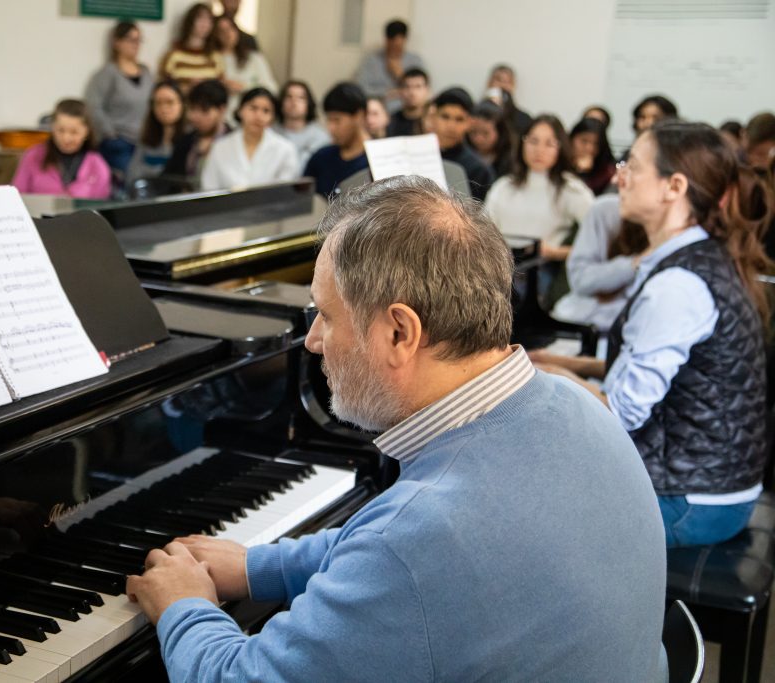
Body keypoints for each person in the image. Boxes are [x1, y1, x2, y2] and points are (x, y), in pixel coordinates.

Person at [124, 175, 667, 683]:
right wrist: (264, 566)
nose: (312, 341)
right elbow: (393, 547)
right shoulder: (575, 402)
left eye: (327, 315)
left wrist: (185, 604)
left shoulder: (421, 536)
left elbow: (241, 677)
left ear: (400, 332)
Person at [531, 121, 773, 547]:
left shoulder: (677, 285)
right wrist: (562, 363)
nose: (620, 176)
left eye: (634, 166)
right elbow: (681, 375)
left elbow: (620, 415)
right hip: (712, 479)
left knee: (525, 509)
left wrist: (537, 378)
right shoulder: (699, 257)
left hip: (691, 498)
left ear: (673, 187)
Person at [484, 114, 594, 261]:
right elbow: (483, 231)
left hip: (540, 266)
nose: (539, 150)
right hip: (498, 263)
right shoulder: (504, 185)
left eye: (549, 144)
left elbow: (600, 242)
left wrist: (554, 252)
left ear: (560, 147)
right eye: (533, 141)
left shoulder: (570, 189)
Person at [551, 195, 648, 333]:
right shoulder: (605, 209)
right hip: (574, 322)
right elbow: (580, 280)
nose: (616, 179)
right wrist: (633, 264)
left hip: (618, 333)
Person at [85, 21, 154, 176]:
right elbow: (94, 106)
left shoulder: (146, 72)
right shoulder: (108, 73)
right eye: (131, 40)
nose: (136, 45)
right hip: (118, 142)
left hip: (144, 142)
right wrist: (110, 134)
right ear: (117, 42)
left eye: (139, 40)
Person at [200, 88, 299, 191]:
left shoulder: (285, 149)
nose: (258, 116)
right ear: (240, 110)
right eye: (253, 108)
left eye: (266, 111)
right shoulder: (220, 147)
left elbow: (286, 193)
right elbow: (209, 189)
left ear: (272, 118)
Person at [12, 99, 110, 199]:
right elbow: (17, 197)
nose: (66, 138)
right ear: (52, 127)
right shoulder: (33, 156)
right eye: (60, 130)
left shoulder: (97, 166)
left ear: (86, 132)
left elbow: (101, 208)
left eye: (74, 132)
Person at [422, 87, 495, 201]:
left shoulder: (478, 170)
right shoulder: (418, 156)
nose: (451, 127)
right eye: (445, 117)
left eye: (459, 119)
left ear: (470, 123)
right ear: (432, 117)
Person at [303, 83, 370, 198]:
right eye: (328, 120)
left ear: (359, 116)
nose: (331, 128)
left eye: (337, 120)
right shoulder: (320, 158)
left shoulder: (378, 160)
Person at [213, 14, 277, 123]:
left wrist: (244, 88)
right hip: (222, 120)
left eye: (230, 29)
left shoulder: (255, 59)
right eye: (221, 31)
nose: (227, 34)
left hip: (252, 119)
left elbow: (271, 89)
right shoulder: (211, 60)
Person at [165, 79, 230, 181]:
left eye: (204, 110)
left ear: (221, 110)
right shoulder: (185, 141)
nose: (195, 116)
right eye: (193, 109)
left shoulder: (234, 141)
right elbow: (169, 179)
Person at [355, 20, 425, 113]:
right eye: (392, 45)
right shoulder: (372, 61)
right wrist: (386, 93)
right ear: (386, 40)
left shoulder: (415, 61)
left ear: (405, 41)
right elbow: (361, 88)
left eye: (399, 46)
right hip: (378, 109)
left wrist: (400, 75)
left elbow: (422, 90)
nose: (395, 49)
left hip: (406, 110)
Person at [127, 81, 185, 183]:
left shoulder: (190, 139)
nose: (163, 108)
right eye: (158, 103)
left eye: (170, 102)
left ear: (182, 104)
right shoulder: (146, 138)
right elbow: (132, 175)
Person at [160, 3, 224, 93]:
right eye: (200, 18)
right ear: (191, 21)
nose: (205, 24)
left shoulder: (215, 57)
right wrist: (188, 86)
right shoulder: (174, 55)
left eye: (209, 20)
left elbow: (220, 87)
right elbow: (164, 88)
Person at [272, 80, 330, 169]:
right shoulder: (271, 133)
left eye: (301, 98)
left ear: (309, 103)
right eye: (289, 97)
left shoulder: (321, 137)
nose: (294, 102)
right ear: (281, 103)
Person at [467, 99, 514, 179]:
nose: (479, 139)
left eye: (485, 133)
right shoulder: (464, 154)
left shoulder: (510, 161)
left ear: (500, 132)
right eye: (473, 132)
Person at [570, 117, 616, 195]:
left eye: (596, 144)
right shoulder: (559, 163)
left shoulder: (607, 174)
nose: (590, 148)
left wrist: (582, 173)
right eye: (584, 141)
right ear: (571, 139)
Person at [485, 64, 532, 135]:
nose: (503, 85)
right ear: (489, 83)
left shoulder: (524, 119)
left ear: (514, 86)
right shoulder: (476, 115)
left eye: (508, 82)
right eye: (498, 80)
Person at [386, 68, 429, 137]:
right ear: (399, 91)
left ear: (427, 90)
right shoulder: (390, 122)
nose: (412, 92)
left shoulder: (433, 121)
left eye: (418, 86)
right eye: (407, 87)